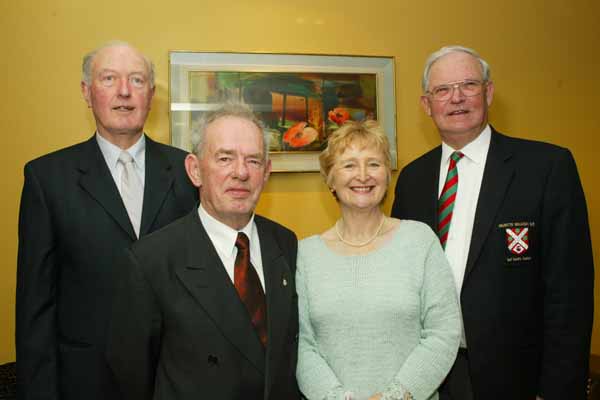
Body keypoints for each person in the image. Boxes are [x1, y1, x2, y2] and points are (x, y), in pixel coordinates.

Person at [391, 45, 594, 400]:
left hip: (518, 379)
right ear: (426, 104)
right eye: (442, 90)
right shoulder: (411, 179)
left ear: (489, 92)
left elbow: (570, 295)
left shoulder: (546, 168)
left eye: (469, 84)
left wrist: (559, 389)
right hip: (430, 376)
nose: (456, 98)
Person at [15, 41, 198, 400]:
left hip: (175, 381)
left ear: (151, 94)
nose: (125, 92)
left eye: (137, 80)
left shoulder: (188, 172)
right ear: (86, 92)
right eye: (109, 79)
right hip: (85, 383)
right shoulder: (47, 178)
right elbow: (35, 307)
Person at [106, 102, 300, 400]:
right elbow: (132, 377)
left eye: (254, 161)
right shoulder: (151, 259)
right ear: (195, 171)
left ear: (267, 172)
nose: (241, 173)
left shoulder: (286, 243)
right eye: (225, 158)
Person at [297, 120, 461, 400]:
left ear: (387, 174)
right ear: (330, 179)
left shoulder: (419, 241)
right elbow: (301, 344)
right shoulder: (305, 254)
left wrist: (395, 396)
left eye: (373, 164)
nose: (362, 175)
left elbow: (443, 332)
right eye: (348, 165)